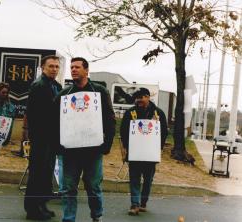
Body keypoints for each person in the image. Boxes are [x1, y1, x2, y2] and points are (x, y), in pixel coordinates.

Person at [54, 57, 116, 222]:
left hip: (93, 150)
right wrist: (58, 146)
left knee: (93, 187)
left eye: (77, 67)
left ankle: (97, 216)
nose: (73, 70)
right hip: (70, 152)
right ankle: (68, 218)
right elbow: (55, 122)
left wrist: (107, 144)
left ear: (87, 70)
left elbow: (110, 119)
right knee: (68, 189)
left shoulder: (100, 91)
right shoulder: (64, 94)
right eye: (72, 67)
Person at [24, 55, 63, 220]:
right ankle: (32, 209)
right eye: (51, 66)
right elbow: (33, 114)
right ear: (42, 67)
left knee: (47, 173)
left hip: (52, 137)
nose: (54, 69)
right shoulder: (38, 86)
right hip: (41, 137)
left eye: (56, 66)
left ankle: (42, 204)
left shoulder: (56, 85)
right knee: (37, 173)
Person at [120, 87, 168, 216]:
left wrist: (160, 149)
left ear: (148, 97)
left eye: (141, 97)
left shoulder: (158, 113)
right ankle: (134, 204)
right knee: (134, 178)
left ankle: (143, 203)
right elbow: (123, 131)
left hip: (151, 154)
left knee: (148, 180)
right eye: (136, 98)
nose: (138, 100)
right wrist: (124, 149)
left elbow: (164, 133)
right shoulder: (130, 113)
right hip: (134, 153)